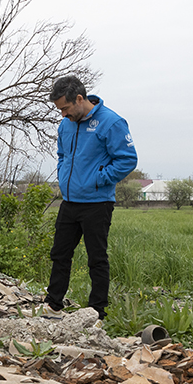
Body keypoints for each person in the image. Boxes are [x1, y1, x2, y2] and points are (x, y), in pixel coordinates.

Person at [44, 75, 137, 318]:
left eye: (65, 108)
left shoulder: (111, 122)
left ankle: (97, 311)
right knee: (60, 254)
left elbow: (127, 160)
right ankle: (53, 304)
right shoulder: (66, 124)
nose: (63, 114)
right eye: (59, 110)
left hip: (97, 203)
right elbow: (62, 155)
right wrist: (64, 176)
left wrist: (98, 179)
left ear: (79, 98)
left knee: (96, 258)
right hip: (70, 201)